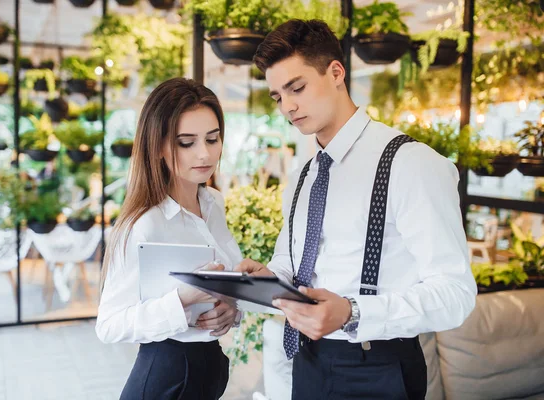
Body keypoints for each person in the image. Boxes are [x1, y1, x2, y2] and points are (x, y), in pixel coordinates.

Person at [235, 19, 477, 400]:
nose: (288, 107)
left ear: (335, 73)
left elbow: (455, 294)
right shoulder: (304, 174)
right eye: (278, 96)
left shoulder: (410, 164)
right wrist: (265, 279)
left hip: (378, 369)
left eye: (297, 87)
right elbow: (292, 263)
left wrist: (352, 312)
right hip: (307, 360)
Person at [96, 78, 242, 400]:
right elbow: (109, 325)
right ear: (160, 146)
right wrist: (182, 300)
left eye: (213, 138)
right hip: (166, 377)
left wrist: (231, 307)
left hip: (210, 367)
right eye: (186, 142)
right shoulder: (144, 225)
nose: (204, 153)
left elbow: (226, 278)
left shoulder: (213, 203)